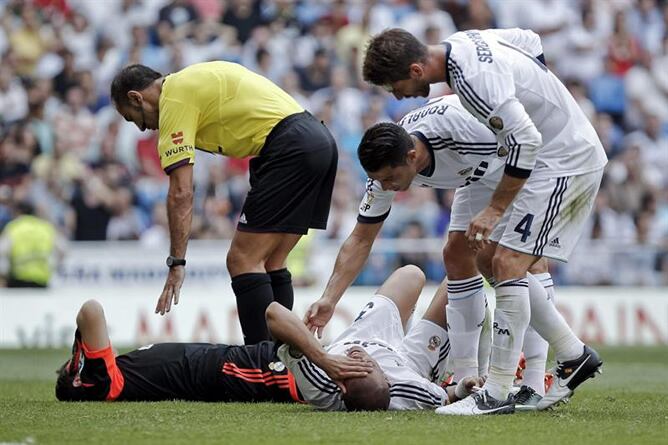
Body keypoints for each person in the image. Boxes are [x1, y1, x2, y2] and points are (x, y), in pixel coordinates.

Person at [361, 28, 606, 413]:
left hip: (562, 159)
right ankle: (571, 358)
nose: (396, 95)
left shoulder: (473, 82)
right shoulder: (464, 43)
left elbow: (525, 141)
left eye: (395, 85)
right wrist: (540, 90)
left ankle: (497, 393)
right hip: (548, 157)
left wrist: (493, 210)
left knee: (509, 263)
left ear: (415, 68)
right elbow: (529, 41)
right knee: (490, 259)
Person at [304, 95, 557, 410]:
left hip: (526, 150)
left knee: (521, 258)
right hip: (477, 169)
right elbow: (360, 238)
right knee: (457, 255)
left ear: (411, 157)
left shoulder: (468, 133)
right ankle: (466, 377)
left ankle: (536, 381)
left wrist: (497, 211)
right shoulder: (387, 168)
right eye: (378, 180)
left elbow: (526, 145)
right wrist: (329, 298)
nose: (385, 186)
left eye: (389, 178)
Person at [110, 61, 338, 344]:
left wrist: (177, 263)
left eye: (133, 117)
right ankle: (281, 363)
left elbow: (181, 193)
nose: (142, 128)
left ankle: (260, 367)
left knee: (242, 260)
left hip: (289, 147)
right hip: (319, 140)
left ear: (136, 97)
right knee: (272, 262)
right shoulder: (190, 82)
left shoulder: (173, 98)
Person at [268, 265, 485, 411]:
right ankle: (480, 366)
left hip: (363, 333)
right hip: (408, 361)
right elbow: (447, 396)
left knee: (411, 273)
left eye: (354, 364)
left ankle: (407, 325)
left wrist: (324, 358)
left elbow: (274, 312)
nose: (359, 357)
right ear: (387, 377)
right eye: (367, 365)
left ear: (341, 385)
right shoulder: (407, 387)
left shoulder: (320, 383)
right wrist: (464, 386)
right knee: (460, 278)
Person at [56, 299, 303, 403]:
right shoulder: (104, 382)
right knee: (292, 373)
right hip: (219, 370)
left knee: (296, 360)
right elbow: (91, 310)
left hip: (222, 362)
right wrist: (80, 352)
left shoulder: (120, 371)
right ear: (80, 377)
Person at [0, 201, 66, 288]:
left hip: (18, 280)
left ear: (18, 212)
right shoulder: (46, 227)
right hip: (41, 281)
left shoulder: (13, 227)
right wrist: (52, 266)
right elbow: (63, 250)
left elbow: (2, 251)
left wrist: (3, 275)